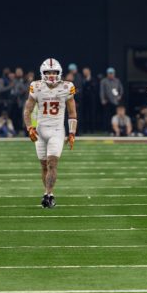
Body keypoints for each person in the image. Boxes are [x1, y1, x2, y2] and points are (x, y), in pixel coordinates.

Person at [23, 58, 77, 209]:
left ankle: (49, 194)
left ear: (59, 73)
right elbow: (27, 110)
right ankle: (46, 192)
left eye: (54, 72)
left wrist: (72, 133)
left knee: (52, 163)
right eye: (48, 72)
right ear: (42, 73)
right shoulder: (36, 86)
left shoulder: (67, 87)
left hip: (57, 131)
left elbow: (72, 113)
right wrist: (29, 128)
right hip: (40, 131)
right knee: (44, 166)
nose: (52, 75)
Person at [81, 67, 99, 133]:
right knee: (85, 115)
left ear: (89, 71)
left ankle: (92, 130)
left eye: (86, 71)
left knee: (92, 115)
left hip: (92, 100)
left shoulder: (94, 79)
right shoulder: (82, 79)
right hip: (84, 100)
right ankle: (85, 130)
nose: (85, 73)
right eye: (84, 72)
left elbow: (95, 89)